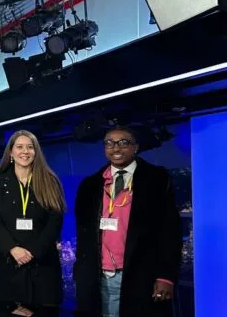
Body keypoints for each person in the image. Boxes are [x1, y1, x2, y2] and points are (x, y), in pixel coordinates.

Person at [74, 127, 182, 317]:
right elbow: (83, 233)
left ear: (135, 147)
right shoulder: (90, 184)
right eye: (109, 143)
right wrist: (81, 272)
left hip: (139, 274)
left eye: (123, 142)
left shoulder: (157, 179)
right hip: (97, 275)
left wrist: (166, 275)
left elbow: (170, 231)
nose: (115, 147)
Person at [0, 130, 66, 315]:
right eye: (20, 147)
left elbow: (55, 220)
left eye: (30, 147)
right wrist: (13, 248)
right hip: (8, 264)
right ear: (11, 152)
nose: (25, 151)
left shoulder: (50, 181)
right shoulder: (0, 183)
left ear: (36, 152)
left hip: (42, 266)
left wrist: (33, 252)